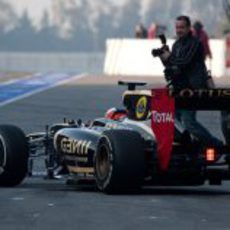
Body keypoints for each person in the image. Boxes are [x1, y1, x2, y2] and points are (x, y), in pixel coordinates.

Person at [158, 15, 222, 146]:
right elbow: (173, 67)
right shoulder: (176, 45)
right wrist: (163, 58)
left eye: (181, 27)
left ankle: (216, 145)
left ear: (188, 28)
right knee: (173, 121)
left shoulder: (195, 43)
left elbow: (184, 62)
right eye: (177, 27)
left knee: (189, 123)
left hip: (193, 89)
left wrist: (169, 57)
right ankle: (190, 146)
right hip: (179, 89)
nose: (179, 30)